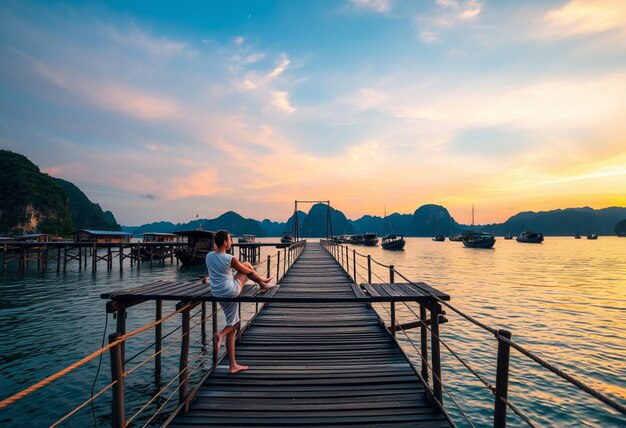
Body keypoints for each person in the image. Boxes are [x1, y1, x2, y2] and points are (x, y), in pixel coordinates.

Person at [206, 230, 274, 373]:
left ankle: (233, 365)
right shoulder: (230, 259)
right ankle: (220, 335)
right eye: (229, 239)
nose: (231, 241)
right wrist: (262, 277)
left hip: (217, 292)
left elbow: (215, 253)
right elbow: (247, 272)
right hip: (231, 291)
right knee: (235, 324)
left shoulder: (209, 256)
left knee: (232, 323)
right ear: (224, 243)